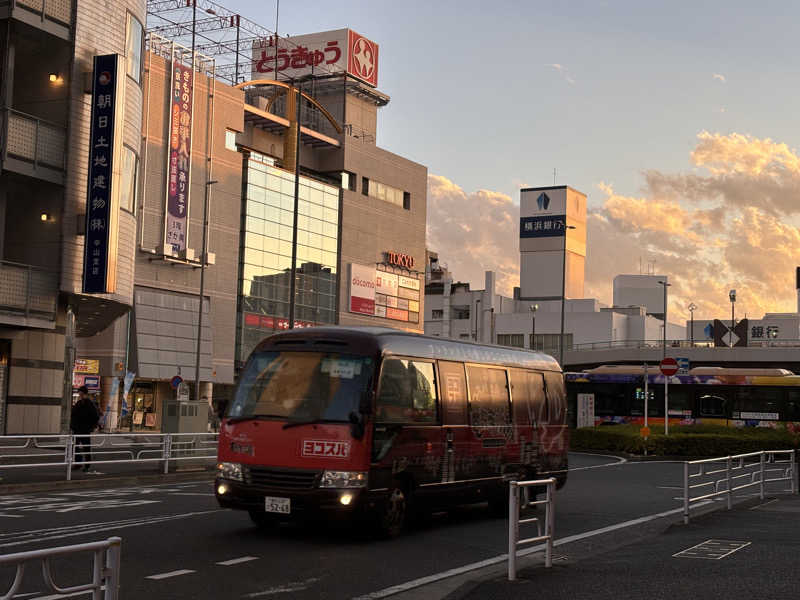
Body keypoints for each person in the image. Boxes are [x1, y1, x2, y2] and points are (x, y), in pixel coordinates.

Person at [71, 386, 100, 473]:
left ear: (84, 393)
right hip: (77, 429)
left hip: (85, 429)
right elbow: (73, 415)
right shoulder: (79, 403)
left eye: (80, 392)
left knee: (86, 447)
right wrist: (72, 426)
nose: (79, 394)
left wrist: (91, 426)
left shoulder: (89, 403)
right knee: (75, 446)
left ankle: (87, 465)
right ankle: (78, 463)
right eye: (79, 392)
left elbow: (95, 416)